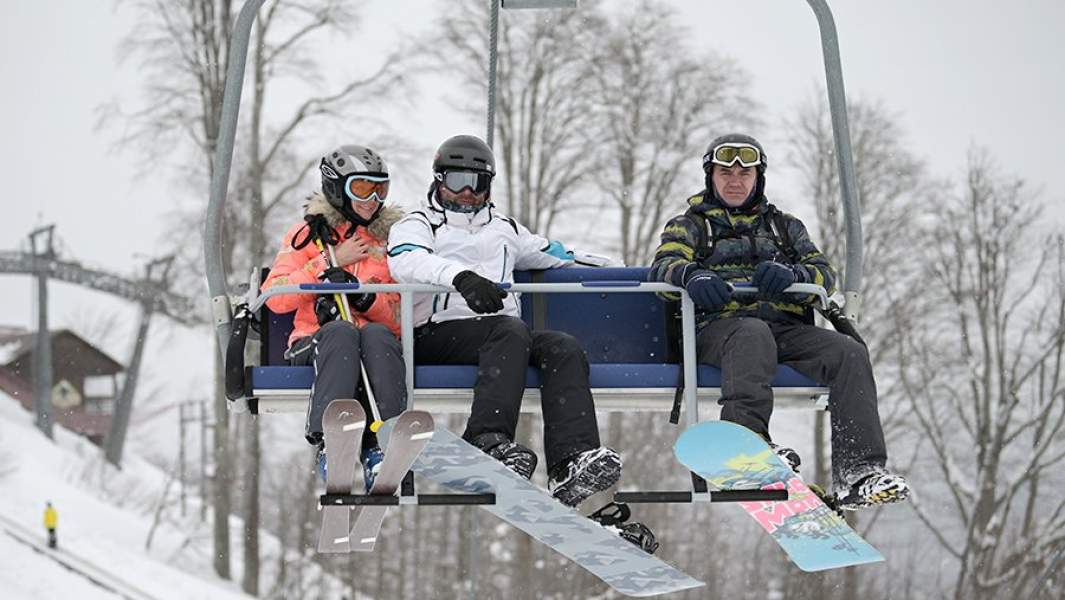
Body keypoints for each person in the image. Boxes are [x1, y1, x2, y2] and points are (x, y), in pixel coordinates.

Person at [386, 135, 644, 519]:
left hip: (502, 338)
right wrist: (462, 278)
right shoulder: (418, 224)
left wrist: (625, 273)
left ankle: (570, 461)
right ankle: (486, 438)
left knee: (561, 346)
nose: (468, 192)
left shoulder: (503, 228)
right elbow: (407, 261)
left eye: (479, 182)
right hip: (438, 332)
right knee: (508, 329)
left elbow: (559, 256)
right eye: (458, 181)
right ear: (439, 180)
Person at [648, 133, 909, 510]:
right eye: (725, 173)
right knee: (750, 333)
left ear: (758, 178)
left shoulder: (784, 228)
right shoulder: (690, 226)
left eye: (744, 174)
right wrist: (691, 275)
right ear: (711, 177)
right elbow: (665, 266)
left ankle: (860, 470)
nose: (735, 182)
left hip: (784, 331)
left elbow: (823, 274)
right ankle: (746, 442)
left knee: (847, 352)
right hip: (718, 333)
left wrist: (793, 275)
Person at [262, 145, 406, 491]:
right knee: (341, 332)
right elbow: (275, 296)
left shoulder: (387, 243)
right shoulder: (309, 236)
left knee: (377, 336)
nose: (372, 199)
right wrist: (329, 263)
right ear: (336, 188)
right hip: (314, 345)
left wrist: (366, 297)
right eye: (361, 188)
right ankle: (333, 442)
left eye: (380, 189)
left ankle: (380, 445)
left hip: (374, 350)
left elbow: (399, 317)